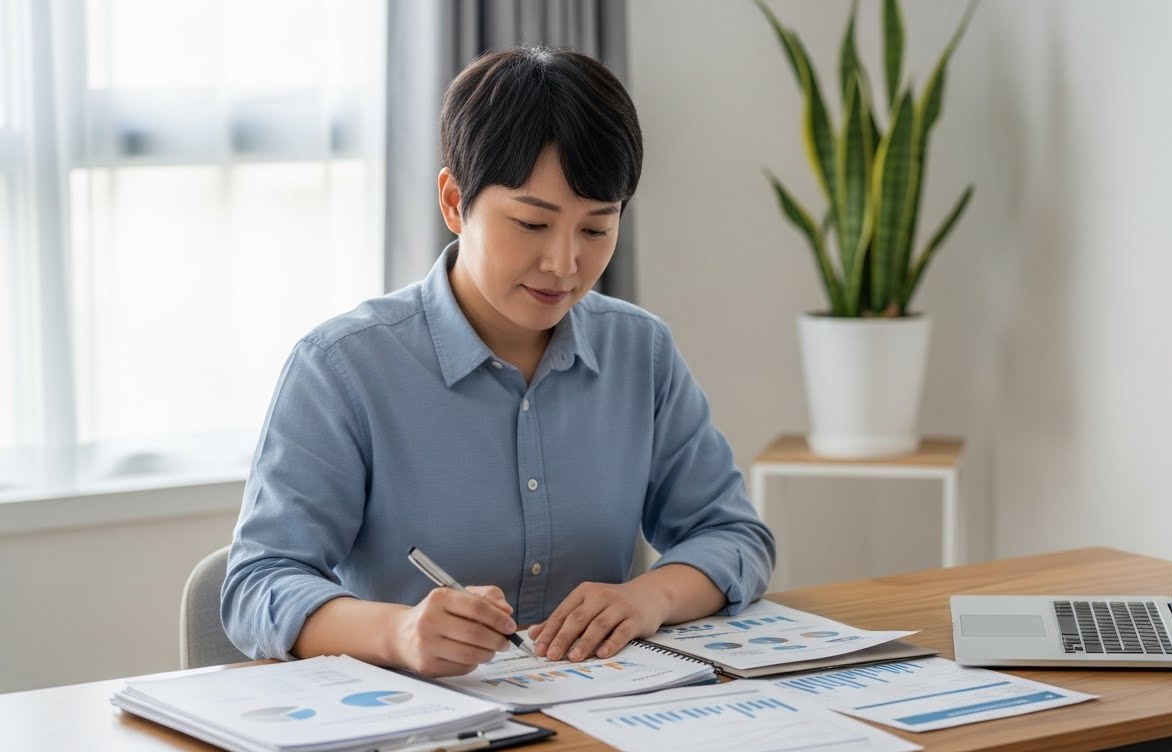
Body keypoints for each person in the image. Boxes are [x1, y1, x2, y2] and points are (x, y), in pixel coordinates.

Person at [221, 46, 775, 678]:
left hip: (607, 717)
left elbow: (735, 536)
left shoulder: (639, 350)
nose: (564, 265)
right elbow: (256, 585)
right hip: (412, 721)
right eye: (531, 225)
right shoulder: (342, 367)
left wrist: (649, 597)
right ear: (455, 202)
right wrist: (398, 632)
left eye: (596, 229)